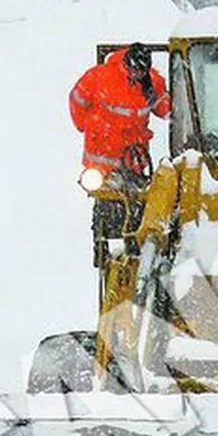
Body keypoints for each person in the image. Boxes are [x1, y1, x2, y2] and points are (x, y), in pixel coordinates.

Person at [68, 42, 170, 267]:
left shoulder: (151, 82)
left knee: (138, 204)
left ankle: (136, 245)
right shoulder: (99, 77)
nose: (138, 75)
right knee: (107, 204)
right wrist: (88, 126)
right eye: (135, 70)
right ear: (127, 64)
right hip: (102, 161)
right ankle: (102, 244)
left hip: (134, 161)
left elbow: (165, 107)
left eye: (142, 72)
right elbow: (77, 101)